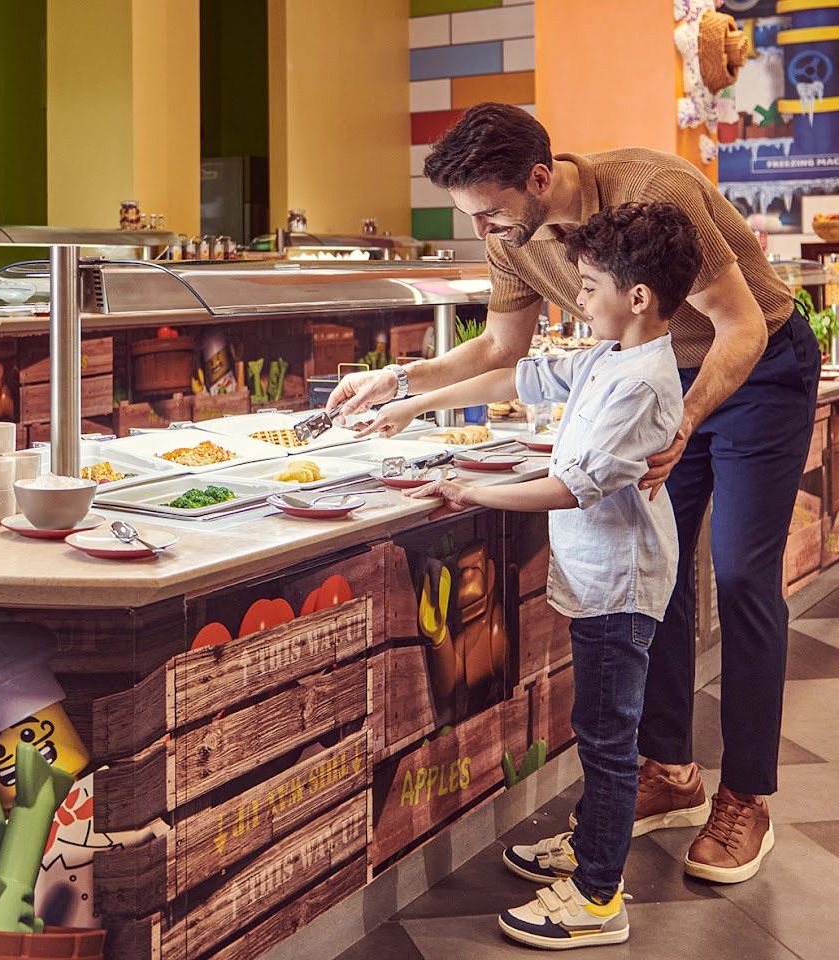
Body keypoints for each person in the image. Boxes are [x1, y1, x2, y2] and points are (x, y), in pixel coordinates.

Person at [331, 103, 819, 884]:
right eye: (472, 217)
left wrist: (683, 421)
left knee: (740, 574)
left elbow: (740, 328)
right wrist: (396, 380)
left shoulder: (655, 191)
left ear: (537, 178)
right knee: (653, 570)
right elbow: (503, 348)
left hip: (755, 368)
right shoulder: (513, 238)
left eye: (490, 210)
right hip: (650, 378)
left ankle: (746, 796)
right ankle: (669, 768)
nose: (484, 229)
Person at [404, 202, 694, 948]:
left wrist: (472, 491)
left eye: (589, 285)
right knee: (597, 728)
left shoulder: (642, 383)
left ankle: (599, 894)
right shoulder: (611, 356)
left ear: (637, 298)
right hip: (598, 577)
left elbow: (575, 486)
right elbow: (519, 380)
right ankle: (592, 844)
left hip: (620, 587)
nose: (580, 298)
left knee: (605, 736)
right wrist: (413, 403)